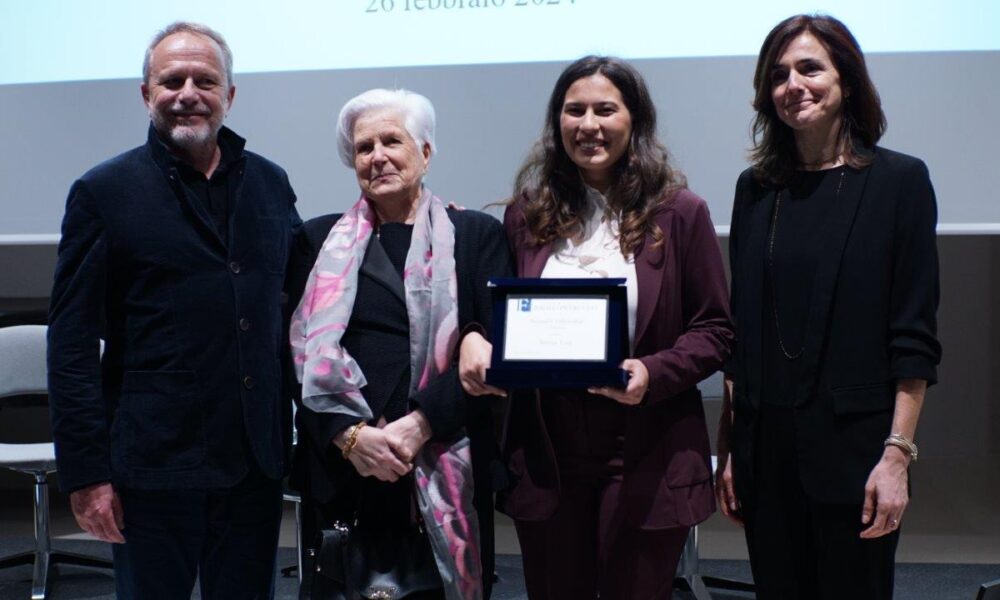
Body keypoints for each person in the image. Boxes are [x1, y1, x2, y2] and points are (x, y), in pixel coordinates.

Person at [461, 56, 734, 600]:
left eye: (605, 109)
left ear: (635, 119)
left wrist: (650, 373)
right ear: (556, 122)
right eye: (574, 110)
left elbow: (716, 328)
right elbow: (491, 314)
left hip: (645, 452)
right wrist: (474, 338)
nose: (589, 124)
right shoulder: (525, 216)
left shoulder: (680, 213)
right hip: (548, 457)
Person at [47, 22, 301, 599]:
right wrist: (87, 475)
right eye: (172, 80)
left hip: (252, 465)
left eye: (206, 80)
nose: (188, 92)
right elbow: (72, 345)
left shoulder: (269, 182)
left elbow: (306, 289)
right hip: (152, 469)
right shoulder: (103, 192)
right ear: (146, 94)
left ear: (229, 95)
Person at [715, 14, 942, 599]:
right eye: (779, 74)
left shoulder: (900, 182)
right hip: (766, 456)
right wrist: (733, 449)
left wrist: (897, 458)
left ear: (847, 78)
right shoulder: (755, 189)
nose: (795, 83)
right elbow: (744, 333)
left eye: (810, 67)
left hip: (858, 457)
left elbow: (914, 338)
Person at [287, 88, 512, 599]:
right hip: (346, 468)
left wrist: (421, 422)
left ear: (425, 153)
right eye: (364, 148)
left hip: (445, 450)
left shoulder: (475, 234)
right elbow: (295, 359)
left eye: (392, 141)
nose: (377, 156)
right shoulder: (317, 240)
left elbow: (494, 348)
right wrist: (349, 435)